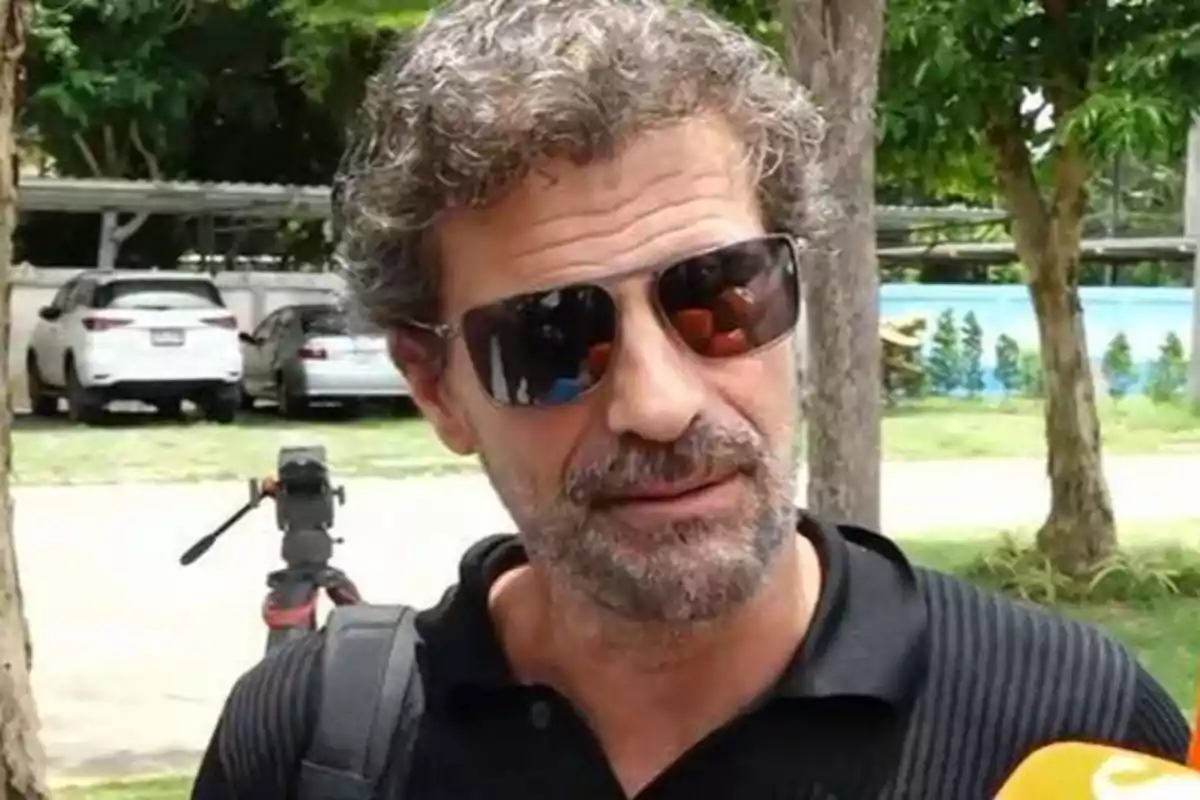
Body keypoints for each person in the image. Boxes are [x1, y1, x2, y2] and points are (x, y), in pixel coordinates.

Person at [191, 1, 1190, 797]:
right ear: (437, 387)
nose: (659, 402)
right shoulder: (304, 746)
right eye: (549, 338)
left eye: (717, 295)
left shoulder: (1070, 725)